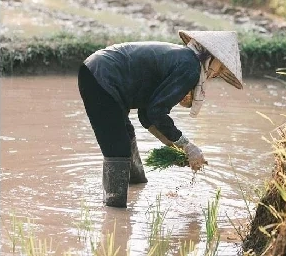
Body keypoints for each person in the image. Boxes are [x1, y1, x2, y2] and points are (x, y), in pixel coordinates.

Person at [78, 29, 244, 209]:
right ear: (213, 59)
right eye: (221, 68)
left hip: (99, 71)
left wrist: (179, 149)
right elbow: (156, 112)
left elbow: (147, 115)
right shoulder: (190, 68)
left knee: (126, 135)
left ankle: (136, 186)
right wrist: (188, 146)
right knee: (117, 148)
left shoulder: (184, 59)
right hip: (102, 77)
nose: (217, 74)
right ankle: (114, 213)